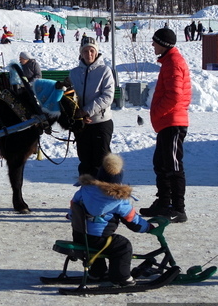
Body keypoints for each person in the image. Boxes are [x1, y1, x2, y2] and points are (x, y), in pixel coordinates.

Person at [70, 153, 157, 287]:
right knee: (122, 246)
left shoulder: (84, 190)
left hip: (80, 235)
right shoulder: (118, 199)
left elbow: (72, 209)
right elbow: (133, 221)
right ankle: (121, 277)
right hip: (98, 239)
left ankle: (97, 272)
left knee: (96, 245)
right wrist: (148, 227)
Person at [140, 28, 191, 224]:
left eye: (155, 41)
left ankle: (178, 208)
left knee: (173, 166)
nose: (152, 44)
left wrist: (157, 112)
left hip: (173, 122)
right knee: (161, 164)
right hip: (167, 122)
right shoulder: (169, 62)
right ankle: (163, 203)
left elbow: (175, 96)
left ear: (163, 44)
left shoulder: (173, 63)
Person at [69, 37, 115, 177]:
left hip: (101, 123)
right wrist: (78, 115)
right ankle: (87, 189)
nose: (89, 54)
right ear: (81, 53)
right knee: (85, 161)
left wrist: (87, 111)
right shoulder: (74, 73)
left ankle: (105, 189)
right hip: (82, 124)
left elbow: (107, 96)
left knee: (101, 161)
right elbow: (70, 97)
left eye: (92, 50)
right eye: (85, 51)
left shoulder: (105, 71)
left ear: (96, 52)